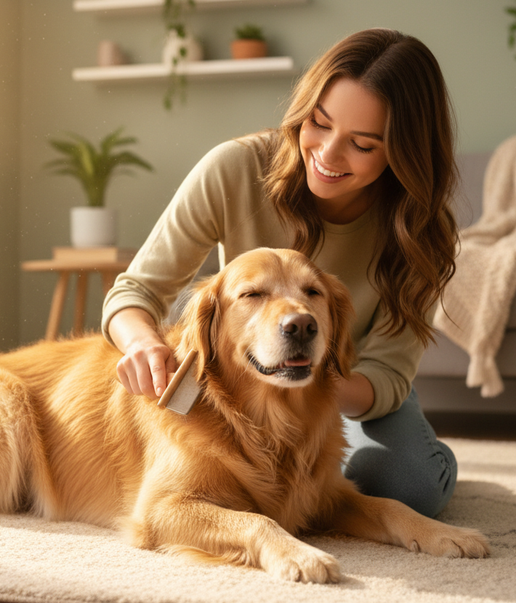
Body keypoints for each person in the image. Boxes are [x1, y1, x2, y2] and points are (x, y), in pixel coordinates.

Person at [101, 28, 460, 518]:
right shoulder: (235, 168)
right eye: (319, 123)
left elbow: (388, 374)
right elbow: (136, 290)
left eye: (362, 144)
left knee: (410, 485)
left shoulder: (423, 229)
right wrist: (143, 343)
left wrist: (305, 379)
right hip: (243, 375)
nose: (327, 154)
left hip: (344, 384)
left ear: (403, 153)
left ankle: (435, 458)